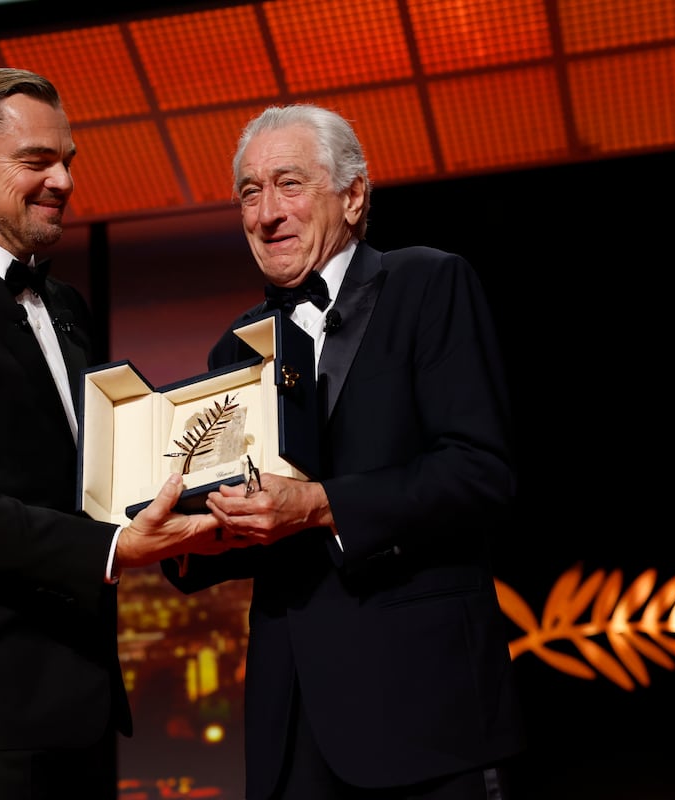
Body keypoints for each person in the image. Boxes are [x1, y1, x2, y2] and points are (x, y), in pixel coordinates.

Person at [0, 68, 225, 799]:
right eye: (36, 162)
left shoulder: (68, 306)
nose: (61, 180)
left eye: (67, 162)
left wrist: (198, 508)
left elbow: (90, 479)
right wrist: (117, 547)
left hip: (77, 703)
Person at [162, 104, 527, 800]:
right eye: (249, 192)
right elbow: (241, 531)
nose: (266, 213)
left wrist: (323, 506)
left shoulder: (429, 283)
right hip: (292, 725)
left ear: (353, 196)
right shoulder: (234, 350)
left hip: (426, 712)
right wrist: (180, 539)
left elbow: (480, 473)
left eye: (289, 184)